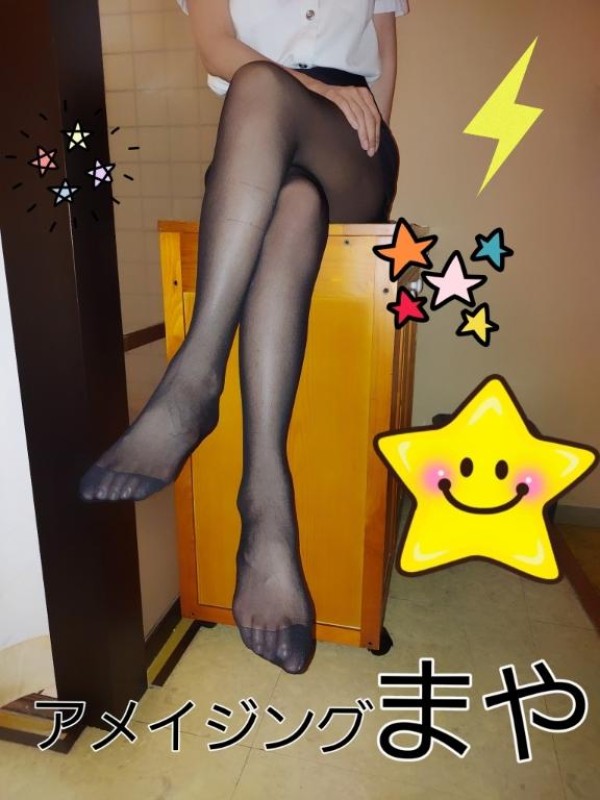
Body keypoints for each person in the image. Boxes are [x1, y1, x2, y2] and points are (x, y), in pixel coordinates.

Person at [80, 0, 408, 674]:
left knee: (265, 92)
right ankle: (266, 513)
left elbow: (385, 58)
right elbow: (215, 46)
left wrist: (361, 122)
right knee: (291, 193)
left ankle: (196, 379)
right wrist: (302, 86)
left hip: (348, 144)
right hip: (257, 137)